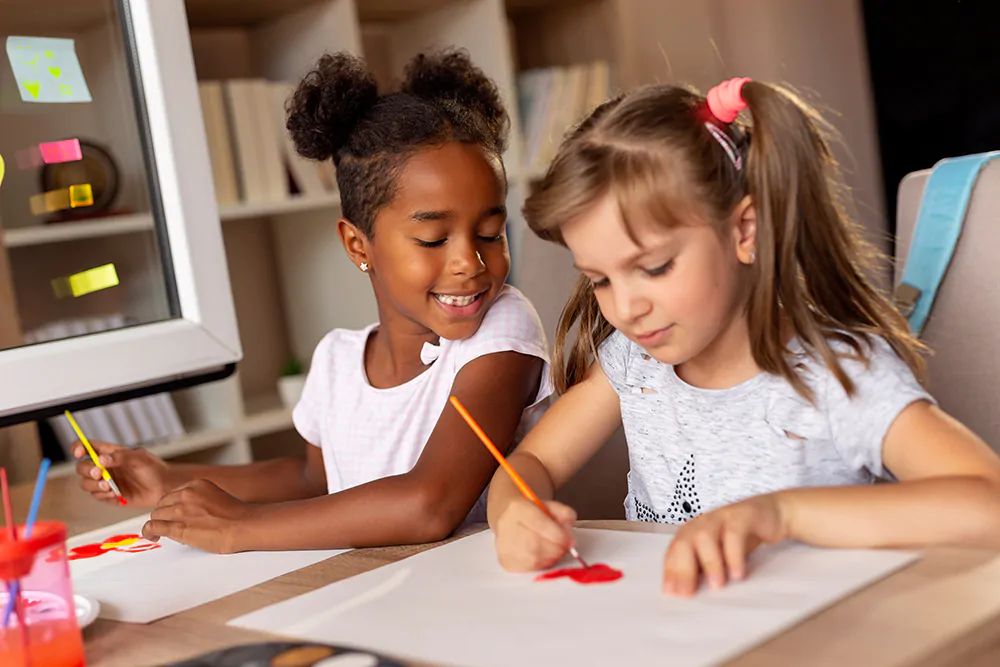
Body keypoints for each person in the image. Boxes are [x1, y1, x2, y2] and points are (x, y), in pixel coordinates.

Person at [486, 77, 1000, 596]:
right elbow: (532, 463)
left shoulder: (835, 374)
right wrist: (514, 509)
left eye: (656, 266)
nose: (626, 307)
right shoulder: (633, 363)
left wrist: (778, 515)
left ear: (745, 231)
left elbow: (988, 504)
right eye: (600, 279)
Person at [75, 50, 552, 553]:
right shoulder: (337, 360)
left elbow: (429, 503)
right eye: (434, 239)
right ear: (357, 245)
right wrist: (167, 478)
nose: (470, 262)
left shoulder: (502, 333)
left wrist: (242, 527)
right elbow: (313, 478)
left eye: (491, 233)